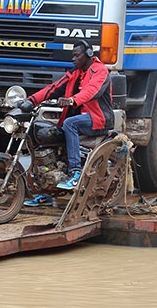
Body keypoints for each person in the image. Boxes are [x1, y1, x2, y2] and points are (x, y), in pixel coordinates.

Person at [21, 39, 113, 207]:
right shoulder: (74, 73)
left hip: (99, 119)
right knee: (44, 136)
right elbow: (54, 87)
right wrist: (30, 100)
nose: (73, 59)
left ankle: (75, 173)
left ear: (88, 55)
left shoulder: (100, 71)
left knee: (70, 123)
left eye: (76, 55)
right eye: (73, 56)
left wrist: (72, 100)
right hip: (77, 120)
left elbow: (91, 91)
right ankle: (46, 191)